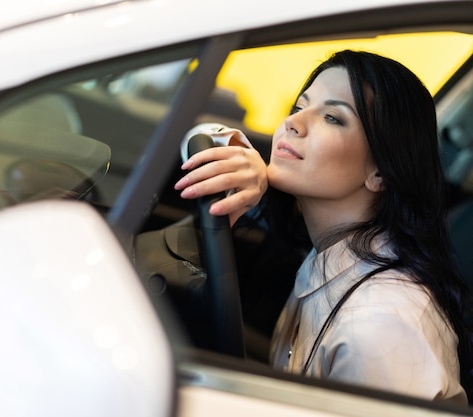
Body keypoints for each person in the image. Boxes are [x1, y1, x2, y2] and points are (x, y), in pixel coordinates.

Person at [174, 50, 473, 404]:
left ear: (379, 172)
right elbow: (198, 134)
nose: (293, 123)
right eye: (300, 108)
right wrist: (237, 151)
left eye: (332, 117)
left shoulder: (379, 325)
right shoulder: (334, 251)